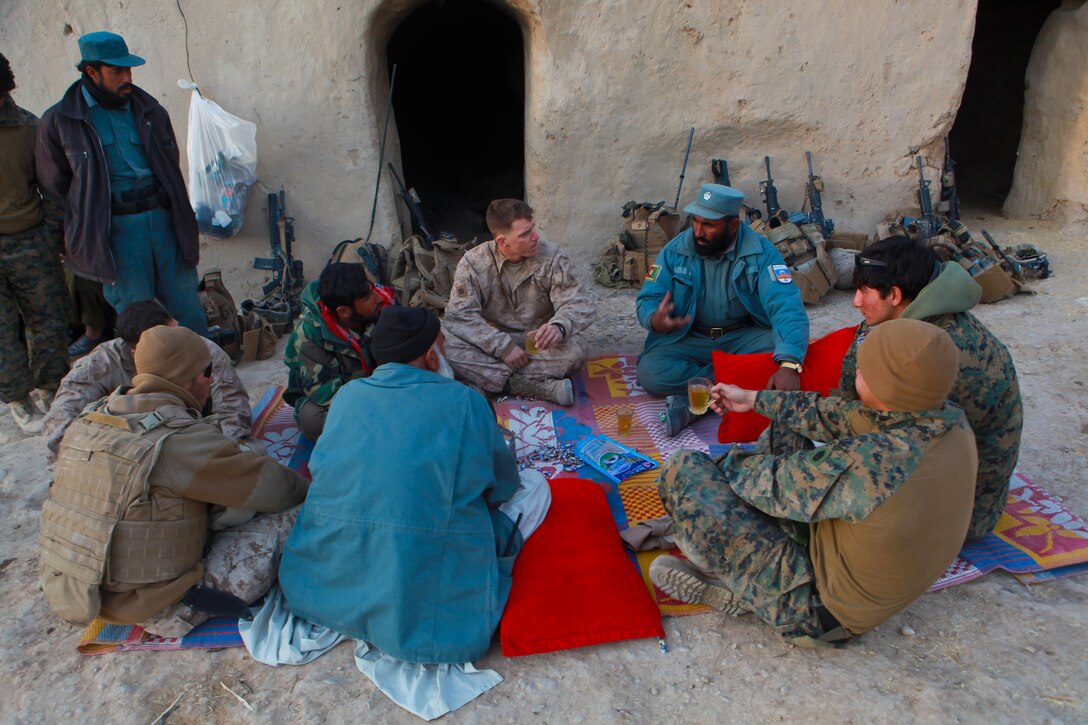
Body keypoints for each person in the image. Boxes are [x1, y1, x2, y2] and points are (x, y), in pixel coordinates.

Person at [650, 319, 977, 647]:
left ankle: (746, 590)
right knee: (789, 425)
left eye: (867, 367)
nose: (858, 370)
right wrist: (754, 399)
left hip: (815, 614)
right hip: (855, 574)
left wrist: (716, 478)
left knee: (684, 470)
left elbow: (760, 482)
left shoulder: (871, 464)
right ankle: (739, 562)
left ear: (888, 383)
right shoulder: (947, 420)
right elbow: (840, 415)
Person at [278, 306, 551, 664]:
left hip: (322, 584)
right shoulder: (464, 401)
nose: (445, 352)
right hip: (422, 588)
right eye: (442, 345)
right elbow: (500, 488)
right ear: (429, 356)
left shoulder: (347, 395)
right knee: (535, 485)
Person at [39, 325, 309, 637]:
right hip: (163, 609)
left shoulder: (89, 420)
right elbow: (278, 489)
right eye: (208, 372)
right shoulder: (179, 439)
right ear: (191, 377)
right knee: (303, 511)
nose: (211, 380)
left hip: (82, 590)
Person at [837, 236, 1022, 540]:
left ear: (894, 295)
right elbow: (848, 390)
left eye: (863, 292)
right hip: (916, 460)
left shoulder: (945, 353)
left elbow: (908, 446)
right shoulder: (890, 318)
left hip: (960, 508)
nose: (856, 302)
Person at [35, 31, 207, 334]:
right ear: (91, 71)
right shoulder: (61, 121)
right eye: (116, 71)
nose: (126, 77)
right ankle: (157, 381)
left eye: (128, 69)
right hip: (116, 232)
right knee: (139, 318)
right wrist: (92, 215)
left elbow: (170, 163)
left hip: (165, 222)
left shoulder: (150, 110)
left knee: (187, 307)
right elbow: (56, 185)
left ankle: (209, 375)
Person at [635, 183, 809, 436]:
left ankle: (699, 398)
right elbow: (648, 298)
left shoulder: (762, 253)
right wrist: (654, 319)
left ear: (733, 226)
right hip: (689, 337)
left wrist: (790, 364)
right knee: (650, 372)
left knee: (785, 353)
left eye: (709, 225)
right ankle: (732, 386)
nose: (698, 231)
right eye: (695, 221)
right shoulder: (675, 251)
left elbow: (786, 306)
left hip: (742, 338)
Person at [42, 299, 255, 469]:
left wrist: (215, 461)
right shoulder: (101, 365)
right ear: (136, 352)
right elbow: (58, 432)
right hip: (125, 457)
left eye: (176, 329)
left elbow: (233, 414)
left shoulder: (201, 351)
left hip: (191, 446)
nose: (182, 337)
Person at [442, 199, 595, 405]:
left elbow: (579, 303)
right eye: (524, 234)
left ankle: (490, 381)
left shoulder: (552, 256)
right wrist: (502, 347)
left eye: (532, 229)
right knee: (449, 348)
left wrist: (559, 327)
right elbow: (459, 316)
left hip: (539, 342)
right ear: (502, 242)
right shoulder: (473, 263)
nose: (535, 237)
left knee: (577, 350)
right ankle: (536, 387)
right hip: (496, 339)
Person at [0, 52, 70, 436]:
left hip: (29, 240)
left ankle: (51, 387)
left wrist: (48, 236)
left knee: (50, 318)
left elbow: (54, 189)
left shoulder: (29, 128)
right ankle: (17, 397)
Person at [284, 262, 392, 439]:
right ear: (344, 312)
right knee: (313, 420)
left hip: (379, 385)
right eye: (367, 297)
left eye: (372, 289)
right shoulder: (309, 334)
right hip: (342, 394)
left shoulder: (382, 306)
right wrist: (374, 408)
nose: (378, 298)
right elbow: (325, 391)